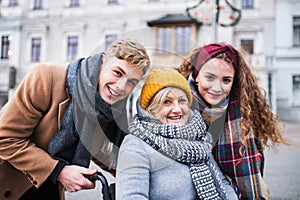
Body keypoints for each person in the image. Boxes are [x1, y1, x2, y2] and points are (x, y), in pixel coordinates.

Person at [0, 38, 151, 200]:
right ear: (102, 62)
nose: (121, 87)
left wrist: (145, 172)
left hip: (50, 190)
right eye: (117, 73)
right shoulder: (46, 76)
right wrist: (59, 171)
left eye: (131, 82)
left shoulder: (109, 109)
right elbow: (6, 138)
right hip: (9, 183)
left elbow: (100, 152)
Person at [177, 43, 291, 199]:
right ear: (196, 75)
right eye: (210, 77)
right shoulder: (175, 106)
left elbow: (251, 168)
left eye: (226, 80)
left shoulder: (241, 110)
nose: (217, 88)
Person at [116, 68, 238, 200]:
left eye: (182, 101)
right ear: (151, 109)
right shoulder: (136, 145)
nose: (177, 109)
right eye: (167, 102)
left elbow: (223, 184)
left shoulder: (199, 138)